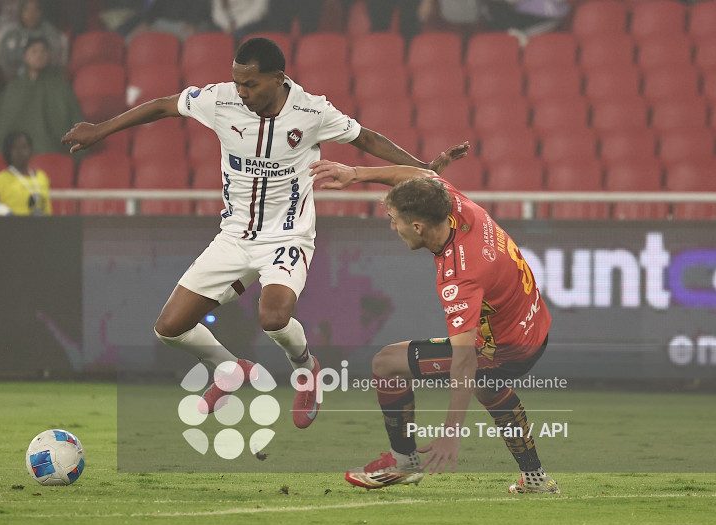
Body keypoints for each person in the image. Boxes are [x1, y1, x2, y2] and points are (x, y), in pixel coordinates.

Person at [62, 37, 466, 429]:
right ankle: (228, 369)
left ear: (278, 78)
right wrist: (100, 130)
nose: (240, 92)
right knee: (169, 328)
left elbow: (368, 138)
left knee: (273, 318)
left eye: (250, 83)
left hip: (288, 236)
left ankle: (306, 371)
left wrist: (423, 169)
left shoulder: (312, 111)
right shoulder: (219, 99)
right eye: (237, 81)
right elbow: (164, 106)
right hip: (234, 236)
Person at [309, 157, 559, 493]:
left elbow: (464, 359)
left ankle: (403, 461)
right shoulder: (451, 203)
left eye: (394, 220)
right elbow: (420, 175)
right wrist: (356, 174)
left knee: (387, 364)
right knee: (489, 386)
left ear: (418, 227)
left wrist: (451, 433)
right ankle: (536, 479)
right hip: (534, 324)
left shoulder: (459, 275)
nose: (392, 227)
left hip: (508, 346)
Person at [0, 37, 82, 155]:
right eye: (34, 51)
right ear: (25, 56)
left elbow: (75, 120)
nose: (39, 55)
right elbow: (3, 123)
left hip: (50, 152)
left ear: (49, 56)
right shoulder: (14, 87)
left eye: (43, 51)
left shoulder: (60, 86)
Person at [0, 130, 52, 216]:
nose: (20, 152)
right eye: (15, 148)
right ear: (8, 152)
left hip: (43, 227)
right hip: (14, 228)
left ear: (31, 150)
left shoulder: (42, 177)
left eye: (24, 147)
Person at [0, 0, 67, 80]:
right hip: (13, 80)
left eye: (35, 10)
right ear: (20, 12)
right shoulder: (11, 34)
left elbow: (55, 59)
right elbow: (2, 61)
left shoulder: (49, 32)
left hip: (43, 78)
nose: (31, 14)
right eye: (27, 10)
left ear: (40, 12)